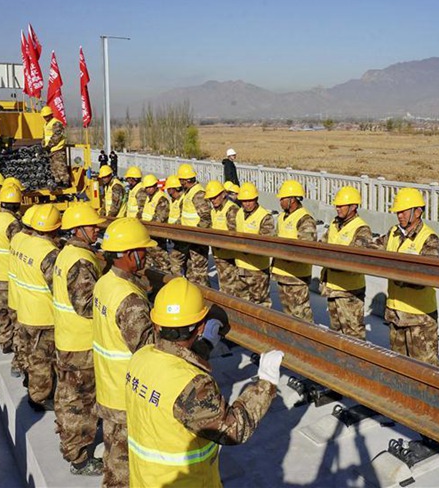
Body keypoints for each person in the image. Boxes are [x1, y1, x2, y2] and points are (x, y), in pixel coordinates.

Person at [125, 277, 282, 487]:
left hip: (145, 479)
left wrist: (205, 345)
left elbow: (174, 360)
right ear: (199, 327)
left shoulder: (140, 357)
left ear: (156, 324)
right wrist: (265, 384)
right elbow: (234, 430)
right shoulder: (192, 385)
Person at [93, 218, 157, 488]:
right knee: (123, 467)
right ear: (129, 254)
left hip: (108, 386)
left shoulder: (105, 282)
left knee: (113, 453)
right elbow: (148, 348)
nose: (146, 255)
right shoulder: (129, 300)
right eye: (142, 250)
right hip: (126, 394)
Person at [52, 203, 106, 476]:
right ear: (79, 229)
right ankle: (80, 460)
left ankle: (73, 447)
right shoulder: (81, 262)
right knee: (80, 404)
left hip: (68, 339)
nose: (97, 228)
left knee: (70, 398)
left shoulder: (67, 253)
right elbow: (86, 305)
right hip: (81, 345)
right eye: (92, 225)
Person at [375, 188, 439, 366]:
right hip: (396, 315)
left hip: (419, 318)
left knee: (426, 371)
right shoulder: (393, 233)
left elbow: (424, 275)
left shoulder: (429, 238)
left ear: (417, 211)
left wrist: (393, 272)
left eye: (403, 211)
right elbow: (374, 251)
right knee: (400, 368)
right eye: (398, 212)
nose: (399, 216)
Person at [13, 204, 61, 410]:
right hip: (44, 317)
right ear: (55, 229)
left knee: (31, 354)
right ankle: (38, 398)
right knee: (42, 360)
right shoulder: (50, 254)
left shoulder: (25, 243)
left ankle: (30, 382)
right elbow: (58, 287)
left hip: (25, 310)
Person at [320, 186, 373, 340]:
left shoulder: (361, 229)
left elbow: (354, 259)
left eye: (341, 205)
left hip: (349, 292)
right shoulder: (334, 224)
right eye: (337, 205)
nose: (337, 208)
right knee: (336, 334)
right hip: (332, 288)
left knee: (353, 335)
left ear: (353, 206)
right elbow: (322, 245)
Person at [0, 185, 23, 361]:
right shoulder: (12, 224)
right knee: (15, 316)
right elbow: (20, 248)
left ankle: (3, 341)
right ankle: (17, 352)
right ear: (16, 205)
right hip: (9, 279)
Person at [272, 180, 317, 322]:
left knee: (301, 316)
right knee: (288, 316)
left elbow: (305, 249)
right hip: (282, 274)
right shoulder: (281, 217)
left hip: (297, 277)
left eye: (283, 198)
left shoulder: (305, 219)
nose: (280, 201)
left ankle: (308, 342)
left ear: (292, 199)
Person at [8, 205, 39, 379]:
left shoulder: (17, 238)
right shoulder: (35, 246)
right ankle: (26, 372)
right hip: (32, 306)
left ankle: (18, 366)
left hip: (16, 295)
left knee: (20, 336)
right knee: (33, 347)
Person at [235, 182, 275, 307]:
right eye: (244, 201)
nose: (246, 204)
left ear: (256, 199)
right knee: (242, 303)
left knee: (260, 304)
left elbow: (265, 244)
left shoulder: (265, 217)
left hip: (257, 270)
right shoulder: (239, 213)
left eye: (250, 200)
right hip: (241, 266)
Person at [177, 163, 212, 287]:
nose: (180, 182)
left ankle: (206, 301)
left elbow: (206, 218)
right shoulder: (189, 192)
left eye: (181, 180)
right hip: (189, 239)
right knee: (192, 274)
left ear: (185, 180)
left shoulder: (198, 194)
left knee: (199, 275)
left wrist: (196, 235)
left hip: (197, 240)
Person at [204, 180, 240, 296]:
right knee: (224, 287)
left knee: (230, 289)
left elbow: (233, 234)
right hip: (219, 254)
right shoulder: (215, 210)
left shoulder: (231, 209)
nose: (212, 200)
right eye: (210, 198)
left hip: (229, 256)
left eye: (214, 197)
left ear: (223, 194)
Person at [140, 174, 175, 273]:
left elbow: (159, 219)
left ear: (156, 186)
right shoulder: (148, 198)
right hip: (147, 237)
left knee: (163, 265)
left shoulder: (161, 199)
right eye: (147, 188)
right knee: (146, 265)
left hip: (157, 238)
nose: (148, 190)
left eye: (150, 187)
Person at [41, 106, 69, 187]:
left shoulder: (56, 123)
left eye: (47, 116)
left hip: (57, 149)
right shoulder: (46, 125)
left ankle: (65, 182)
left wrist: (49, 145)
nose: (45, 117)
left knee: (60, 166)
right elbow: (45, 136)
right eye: (44, 116)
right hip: (51, 150)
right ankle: (58, 182)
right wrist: (43, 145)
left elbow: (57, 136)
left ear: (50, 115)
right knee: (54, 168)